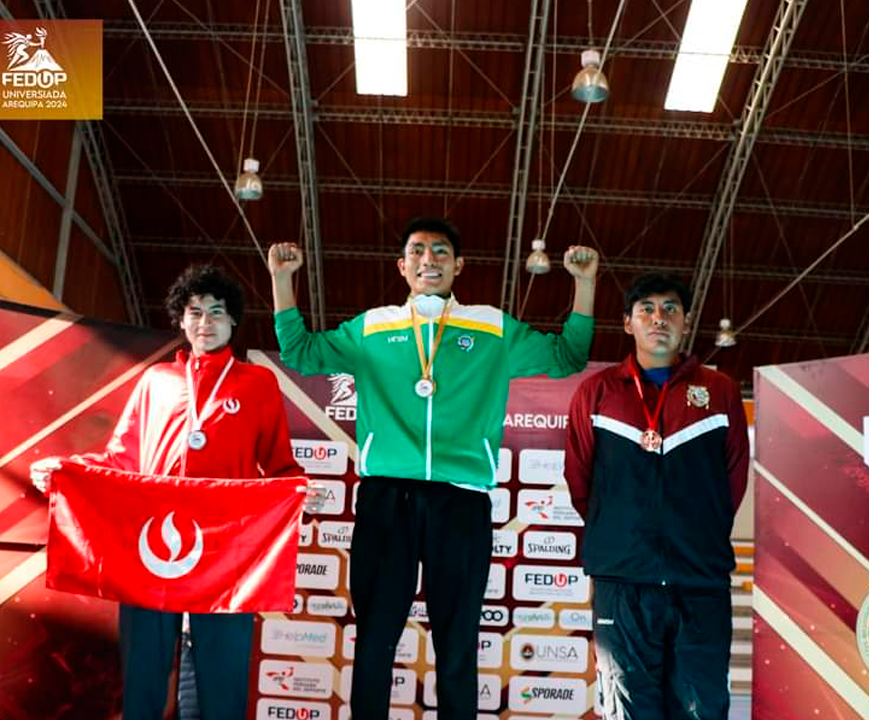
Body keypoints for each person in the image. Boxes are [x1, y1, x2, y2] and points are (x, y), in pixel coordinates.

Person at [267, 217, 598, 720]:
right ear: (401, 266)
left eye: (440, 251)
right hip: (386, 499)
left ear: (459, 265)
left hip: (461, 500)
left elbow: (568, 356)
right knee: (375, 636)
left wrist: (585, 285)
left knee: (457, 640)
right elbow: (301, 351)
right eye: (417, 251)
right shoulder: (372, 327)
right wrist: (282, 281)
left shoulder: (491, 328)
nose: (429, 260)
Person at [30, 264, 319, 720]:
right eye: (195, 312)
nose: (205, 322)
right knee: (143, 675)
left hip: (226, 552)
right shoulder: (156, 381)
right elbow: (120, 458)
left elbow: (279, 465)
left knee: (222, 677)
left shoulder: (258, 384)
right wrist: (65, 471)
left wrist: (300, 491)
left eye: (216, 312)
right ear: (181, 321)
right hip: (150, 550)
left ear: (233, 320)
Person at [564, 272, 748, 720]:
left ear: (686, 322)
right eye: (646, 309)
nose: (658, 318)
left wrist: (697, 536)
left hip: (699, 582)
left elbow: (733, 481)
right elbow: (580, 482)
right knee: (628, 711)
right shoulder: (597, 393)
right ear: (628, 323)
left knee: (702, 710)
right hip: (622, 584)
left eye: (670, 309)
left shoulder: (720, 391)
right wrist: (620, 536)